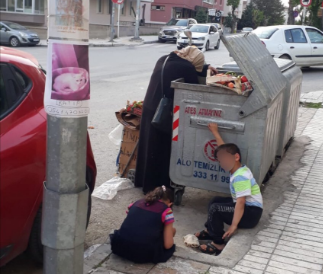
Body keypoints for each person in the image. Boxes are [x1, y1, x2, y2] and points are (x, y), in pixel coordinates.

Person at [135, 46, 218, 194]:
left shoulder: (164, 59)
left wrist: (205, 67)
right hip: (164, 112)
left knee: (149, 146)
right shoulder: (186, 68)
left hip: (150, 107)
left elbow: (176, 70)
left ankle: (143, 181)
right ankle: (157, 188)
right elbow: (194, 89)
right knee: (162, 148)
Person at [195, 123, 263, 255]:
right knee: (215, 200)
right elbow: (223, 149)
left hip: (250, 214)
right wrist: (215, 132)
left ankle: (218, 243)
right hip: (249, 210)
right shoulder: (238, 168)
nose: (222, 163)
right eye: (220, 160)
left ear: (236, 157)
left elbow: (241, 202)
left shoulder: (240, 177)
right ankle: (211, 230)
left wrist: (234, 225)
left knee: (216, 209)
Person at [110, 186, 176, 263]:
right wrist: (172, 232)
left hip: (120, 246)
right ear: (170, 203)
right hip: (143, 253)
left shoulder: (136, 203)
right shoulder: (166, 210)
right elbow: (168, 245)